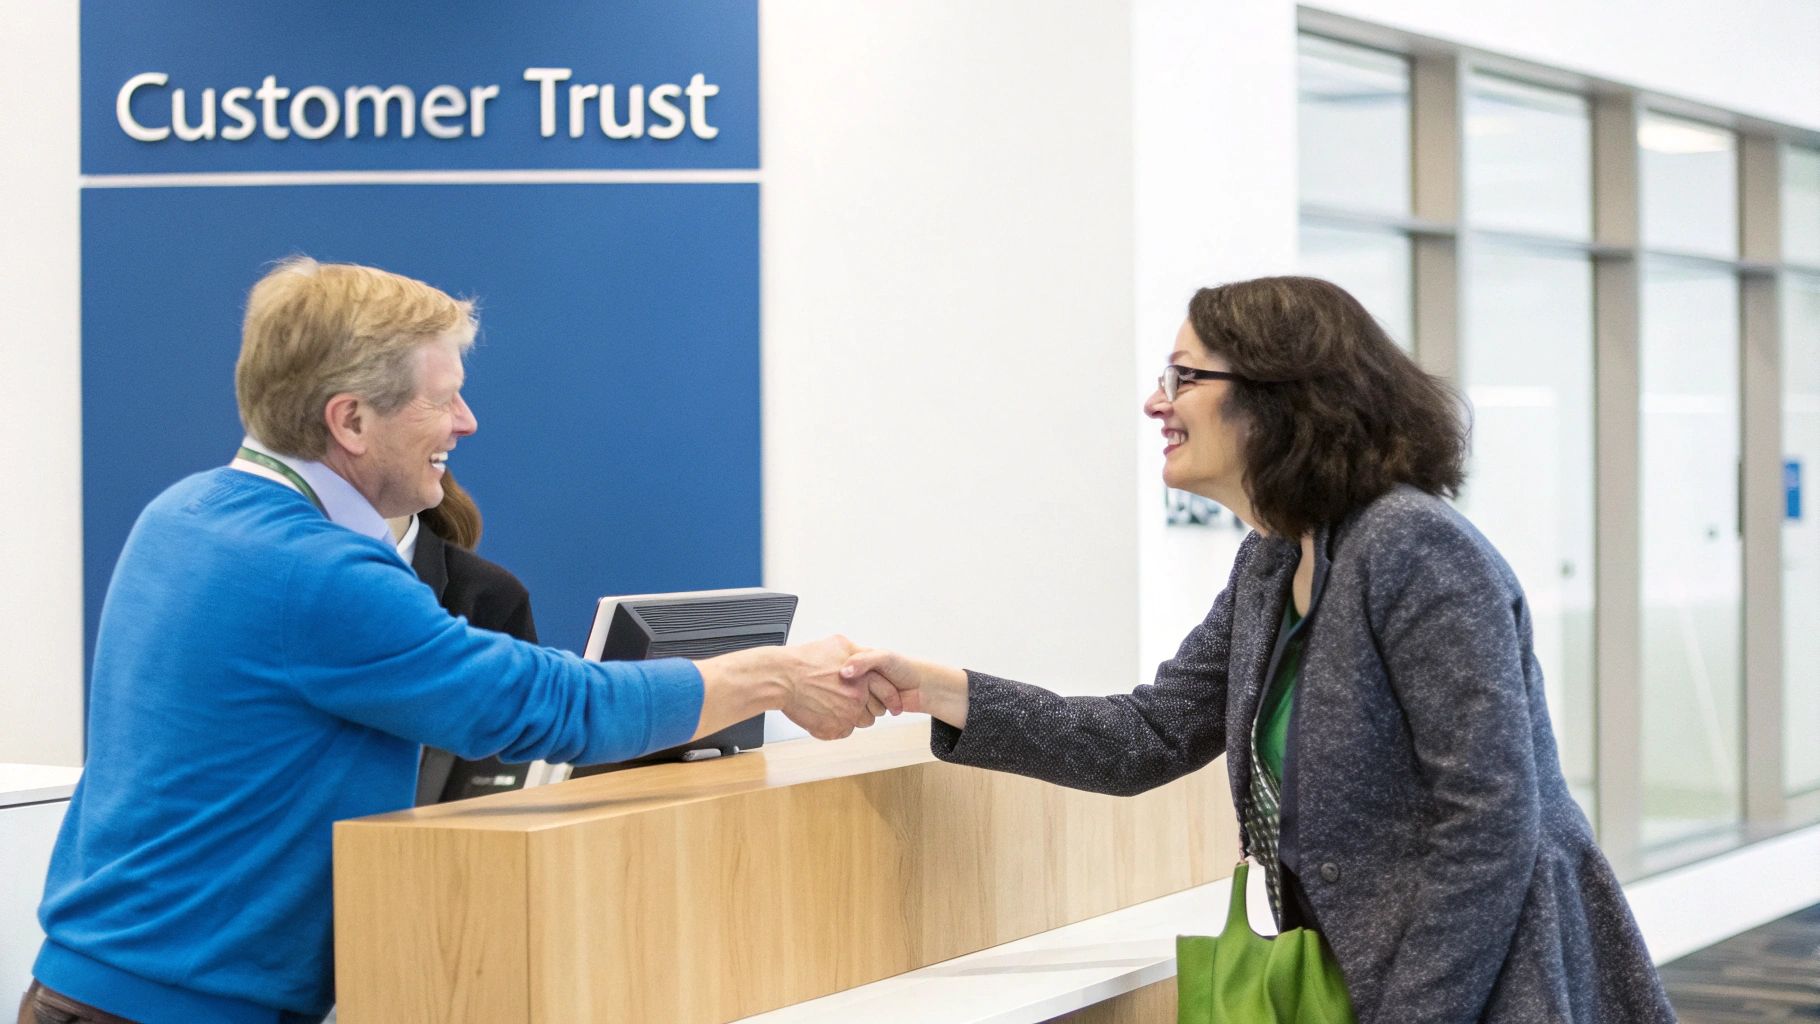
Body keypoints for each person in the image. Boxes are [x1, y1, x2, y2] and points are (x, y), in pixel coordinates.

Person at [21, 257, 873, 1024]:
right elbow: (546, 705)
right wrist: (771, 676)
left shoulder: (187, 514)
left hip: (97, 993)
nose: (466, 422)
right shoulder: (313, 572)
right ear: (351, 420)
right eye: (443, 398)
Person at [845, 277, 1676, 1023]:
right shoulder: (1276, 556)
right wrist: (938, 688)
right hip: (1372, 977)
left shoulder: (1413, 547)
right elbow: (1150, 736)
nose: (1155, 402)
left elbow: (1491, 827)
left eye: (1184, 377)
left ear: (1282, 398)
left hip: (1488, 981)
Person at [384, 470, 540, 806]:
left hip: (445, 841)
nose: (464, 424)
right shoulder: (272, 570)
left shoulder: (489, 595)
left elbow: (510, 762)